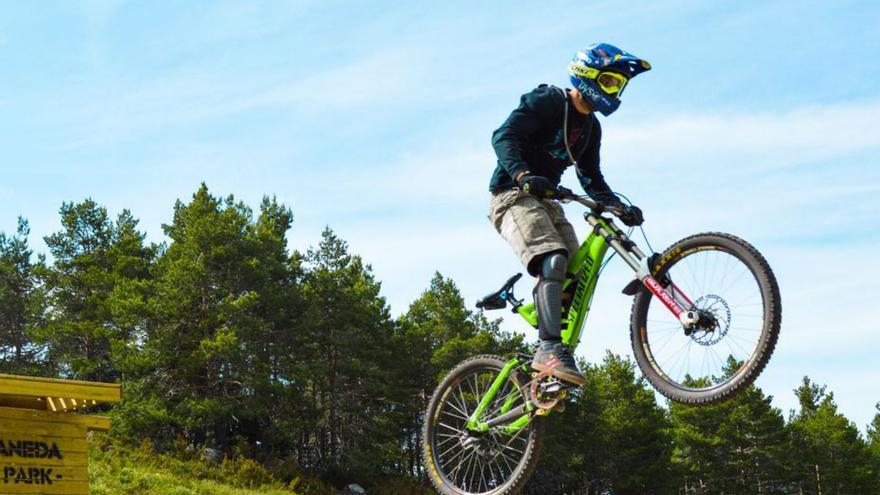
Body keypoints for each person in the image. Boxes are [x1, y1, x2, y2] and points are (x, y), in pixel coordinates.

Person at [488, 43, 651, 385]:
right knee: (553, 258)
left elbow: (591, 178)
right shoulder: (549, 101)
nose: (613, 91)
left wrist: (617, 206)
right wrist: (522, 175)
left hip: (550, 199)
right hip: (512, 195)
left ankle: (548, 369)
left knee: (576, 275)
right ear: (587, 74)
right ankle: (548, 347)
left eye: (618, 86)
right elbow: (504, 136)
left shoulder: (591, 128)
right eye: (609, 82)